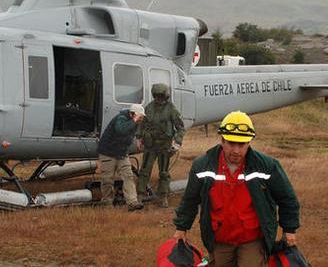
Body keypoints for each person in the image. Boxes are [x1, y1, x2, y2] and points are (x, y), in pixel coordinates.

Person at [172, 111, 300, 267]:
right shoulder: (203, 166)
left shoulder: (267, 166)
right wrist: (181, 228)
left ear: (249, 143)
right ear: (222, 140)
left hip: (251, 239)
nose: (236, 150)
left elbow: (287, 198)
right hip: (220, 239)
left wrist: (290, 229)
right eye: (231, 143)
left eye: (242, 144)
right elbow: (190, 200)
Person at [137, 83, 185, 208]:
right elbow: (142, 124)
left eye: (161, 95)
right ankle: (141, 194)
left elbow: (180, 127)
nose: (159, 98)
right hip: (150, 145)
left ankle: (163, 196)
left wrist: (177, 143)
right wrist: (138, 138)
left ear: (165, 95)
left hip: (164, 146)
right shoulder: (149, 108)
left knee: (164, 172)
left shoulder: (171, 109)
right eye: (157, 95)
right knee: (144, 171)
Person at [97, 103, 146, 211]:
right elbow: (121, 130)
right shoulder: (121, 118)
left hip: (122, 153)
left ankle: (132, 202)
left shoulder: (135, 122)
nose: (140, 119)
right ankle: (106, 202)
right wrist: (134, 120)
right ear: (132, 114)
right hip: (108, 152)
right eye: (139, 117)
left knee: (128, 176)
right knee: (107, 178)